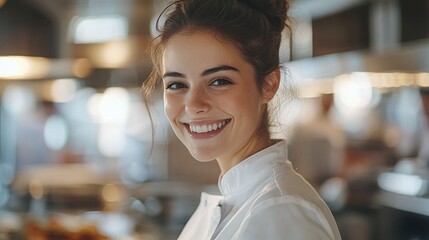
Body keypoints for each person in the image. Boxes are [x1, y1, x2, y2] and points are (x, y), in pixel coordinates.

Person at [142, 0, 342, 239]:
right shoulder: (238, 200)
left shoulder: (280, 212)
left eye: (219, 81)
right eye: (176, 84)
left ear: (268, 85)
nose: (194, 105)